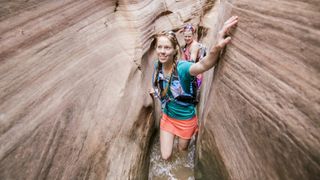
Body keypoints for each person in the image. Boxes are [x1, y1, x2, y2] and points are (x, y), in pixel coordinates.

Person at [151, 16, 238, 160]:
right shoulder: (157, 65)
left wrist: (216, 46)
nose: (162, 51)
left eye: (167, 48)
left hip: (186, 120)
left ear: (174, 50)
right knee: (166, 157)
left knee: (182, 151)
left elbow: (204, 65)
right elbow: (158, 83)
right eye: (159, 47)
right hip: (168, 117)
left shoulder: (183, 68)